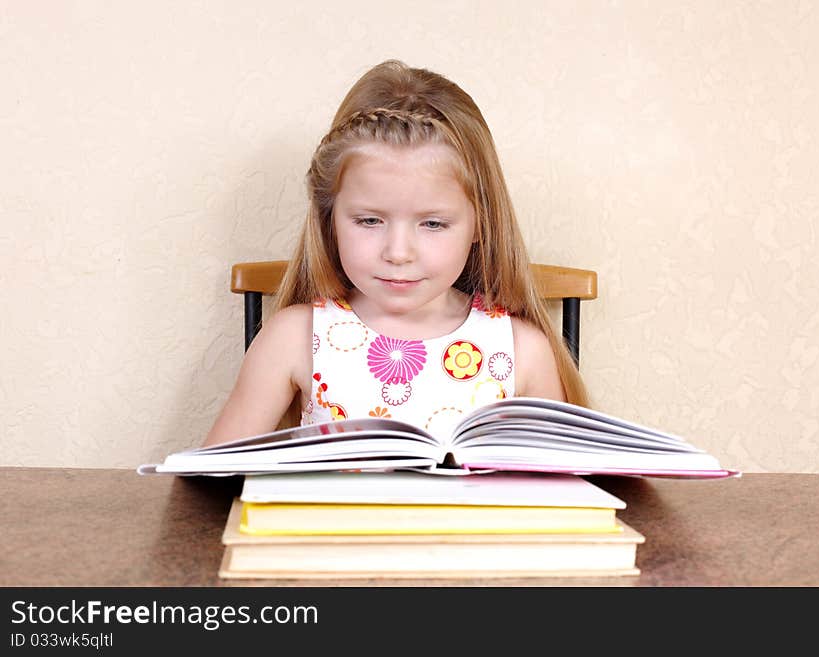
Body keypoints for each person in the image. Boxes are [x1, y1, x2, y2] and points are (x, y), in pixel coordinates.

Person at [203, 59, 588, 447]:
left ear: (480, 224)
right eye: (369, 221)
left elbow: (560, 491)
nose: (398, 253)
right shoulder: (293, 337)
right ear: (329, 219)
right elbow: (208, 478)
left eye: (433, 224)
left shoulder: (522, 350)